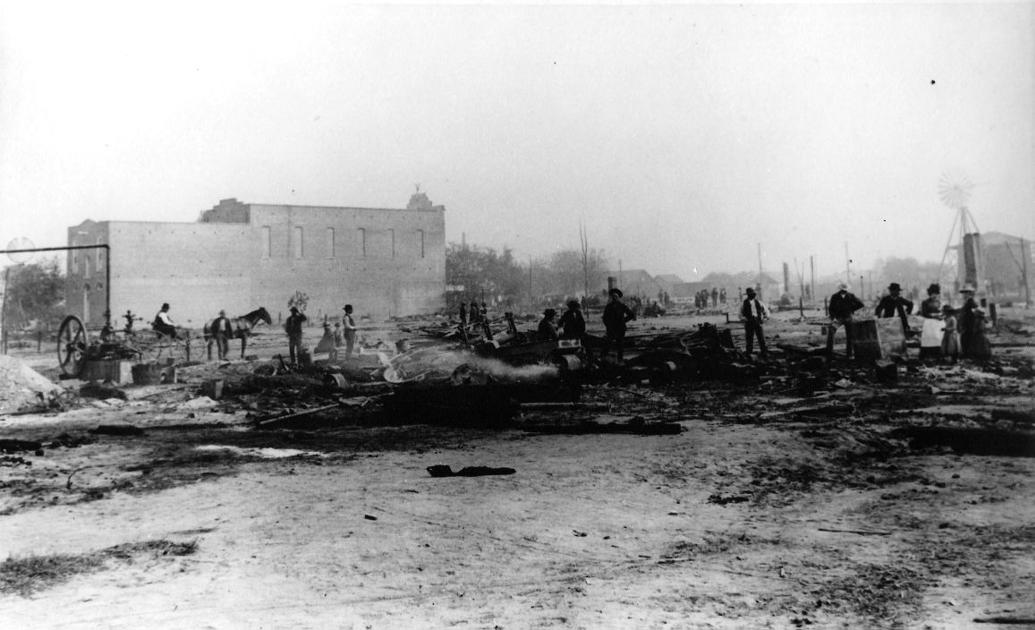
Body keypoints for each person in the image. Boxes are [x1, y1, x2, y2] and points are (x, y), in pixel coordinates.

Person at [826, 283, 864, 358]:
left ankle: (849, 354)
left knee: (850, 335)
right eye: (842, 290)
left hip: (848, 317)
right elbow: (831, 308)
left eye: (845, 290)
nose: (844, 291)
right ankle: (829, 353)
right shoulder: (835, 296)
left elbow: (861, 304)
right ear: (840, 289)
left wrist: (852, 310)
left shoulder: (851, 296)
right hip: (838, 318)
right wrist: (833, 317)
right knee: (831, 330)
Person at [602, 288, 635, 363]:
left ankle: (620, 360)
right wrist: (608, 325)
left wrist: (623, 321)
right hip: (611, 329)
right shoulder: (608, 307)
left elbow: (631, 314)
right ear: (611, 297)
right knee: (608, 344)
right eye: (613, 297)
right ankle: (603, 358)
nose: (614, 298)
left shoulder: (622, 306)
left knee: (620, 345)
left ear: (618, 297)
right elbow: (604, 318)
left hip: (620, 329)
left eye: (616, 297)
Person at [958, 285, 991, 360]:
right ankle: (967, 355)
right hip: (967, 324)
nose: (964, 295)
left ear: (970, 294)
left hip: (970, 325)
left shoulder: (971, 302)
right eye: (963, 293)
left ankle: (968, 356)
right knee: (965, 339)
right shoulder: (967, 302)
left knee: (967, 339)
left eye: (966, 293)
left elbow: (977, 312)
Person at [740, 287, 769, 357]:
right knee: (749, 338)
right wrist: (744, 319)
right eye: (750, 294)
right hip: (749, 322)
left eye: (753, 294)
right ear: (747, 295)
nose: (752, 295)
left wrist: (765, 317)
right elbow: (740, 313)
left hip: (758, 321)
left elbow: (766, 311)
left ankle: (764, 352)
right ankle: (749, 352)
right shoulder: (744, 303)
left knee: (761, 337)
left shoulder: (759, 302)